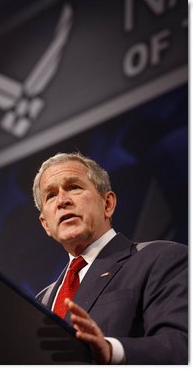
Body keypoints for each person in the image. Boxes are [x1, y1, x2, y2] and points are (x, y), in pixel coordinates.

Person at [32, 152, 187, 365]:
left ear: (108, 204)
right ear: (46, 225)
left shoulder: (161, 259)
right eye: (50, 195)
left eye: (74, 187)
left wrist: (111, 351)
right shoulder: (41, 301)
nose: (62, 201)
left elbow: (181, 347)